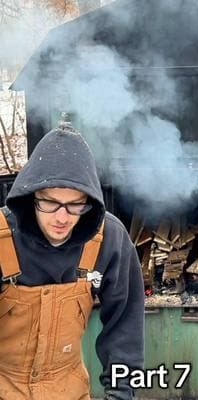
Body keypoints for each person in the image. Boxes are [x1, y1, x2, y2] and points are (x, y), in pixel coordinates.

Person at [0, 121, 145, 400]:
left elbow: (125, 325)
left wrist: (122, 394)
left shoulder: (108, 239)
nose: (62, 217)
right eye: (50, 202)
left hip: (69, 389)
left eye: (75, 204)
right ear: (31, 197)